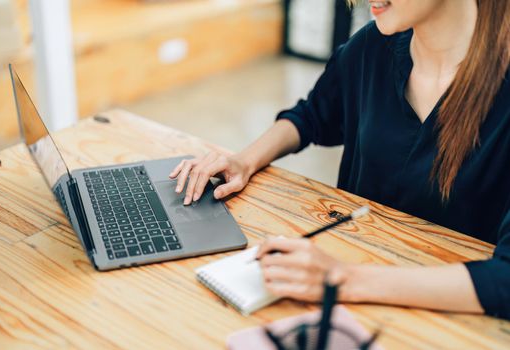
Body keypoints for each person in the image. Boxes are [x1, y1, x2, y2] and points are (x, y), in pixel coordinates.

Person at [169, 0, 510, 319]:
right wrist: (244, 160)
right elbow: (313, 115)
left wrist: (342, 278)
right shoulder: (373, 46)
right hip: (348, 306)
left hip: (448, 320)